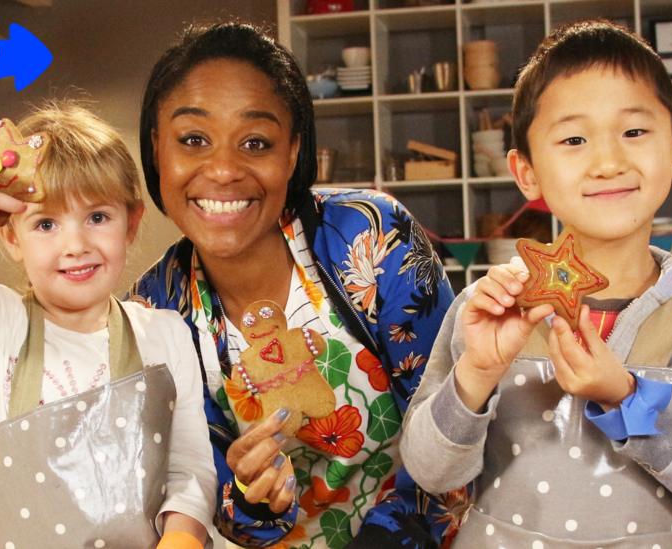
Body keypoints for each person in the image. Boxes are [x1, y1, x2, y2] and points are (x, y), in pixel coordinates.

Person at [400, 20, 672, 548]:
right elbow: (429, 473)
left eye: (634, 132)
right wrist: (477, 373)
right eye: (573, 139)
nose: (607, 163)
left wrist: (628, 399)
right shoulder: (489, 311)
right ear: (526, 171)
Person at [130, 21, 463, 549]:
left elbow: (454, 429)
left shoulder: (371, 238)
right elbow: (192, 502)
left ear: (291, 152)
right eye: (193, 140)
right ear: (156, 149)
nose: (223, 170)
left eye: (255, 142)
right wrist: (252, 503)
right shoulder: (153, 311)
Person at [0, 103, 216, 549]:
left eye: (97, 218)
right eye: (46, 224)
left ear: (131, 224)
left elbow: (189, 468)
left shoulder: (166, 335)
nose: (75, 245)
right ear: (11, 237)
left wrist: (182, 536)